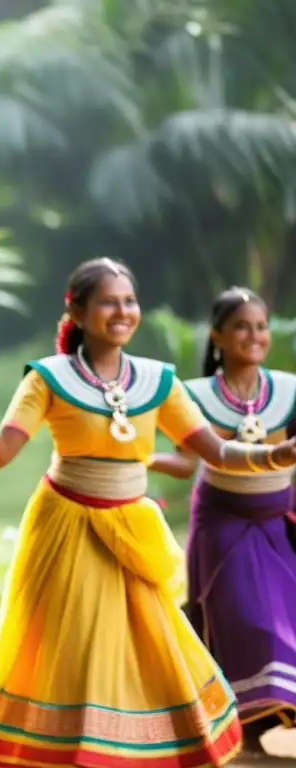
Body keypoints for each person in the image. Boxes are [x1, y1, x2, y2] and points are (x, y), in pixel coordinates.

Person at [0, 258, 296, 767]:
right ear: (76, 308)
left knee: (147, 648)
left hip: (133, 529)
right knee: (74, 648)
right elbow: (2, 452)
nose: (123, 312)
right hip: (68, 526)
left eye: (130, 301)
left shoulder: (159, 381)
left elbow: (218, 452)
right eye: (109, 301)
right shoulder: (48, 378)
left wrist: (281, 454)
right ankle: (72, 753)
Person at [147, 287, 296, 759]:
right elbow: (186, 463)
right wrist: (132, 458)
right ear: (217, 335)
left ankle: (259, 729)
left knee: (287, 621)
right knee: (248, 621)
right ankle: (243, 732)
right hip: (223, 525)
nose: (254, 336)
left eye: (260, 326)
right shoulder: (195, 396)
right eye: (241, 327)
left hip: (279, 522)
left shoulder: (290, 390)